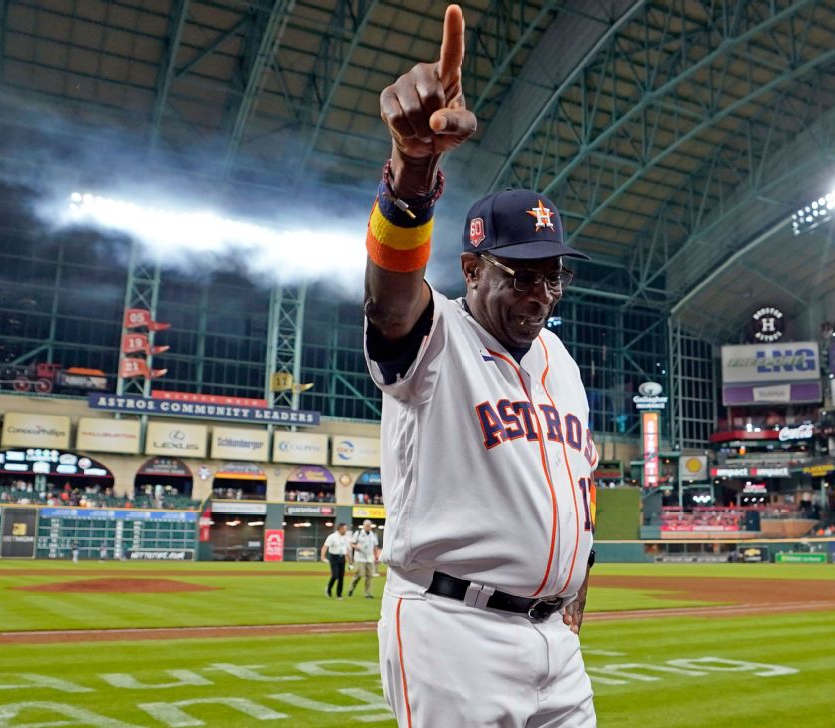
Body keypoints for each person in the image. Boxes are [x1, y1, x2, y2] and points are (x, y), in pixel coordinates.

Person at [364, 6, 597, 725]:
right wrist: (413, 173)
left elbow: (578, 487)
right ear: (470, 267)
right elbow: (389, 303)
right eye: (521, 273)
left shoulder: (560, 359)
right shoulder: (435, 337)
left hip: (555, 640)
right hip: (451, 631)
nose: (540, 292)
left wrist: (575, 590)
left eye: (553, 275)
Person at [348, 520, 381, 598]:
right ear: (364, 526)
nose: (368, 527)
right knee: (359, 575)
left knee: (369, 576)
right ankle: (351, 588)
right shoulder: (358, 533)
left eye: (370, 526)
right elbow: (351, 543)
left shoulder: (373, 535)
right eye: (367, 525)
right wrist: (356, 547)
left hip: (370, 558)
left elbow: (375, 546)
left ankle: (367, 593)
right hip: (360, 558)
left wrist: (376, 557)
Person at [321, 523, 351, 599]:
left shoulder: (346, 538)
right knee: (335, 575)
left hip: (342, 558)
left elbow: (347, 549)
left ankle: (339, 594)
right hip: (334, 557)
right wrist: (323, 556)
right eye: (345, 529)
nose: (346, 530)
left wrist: (350, 561)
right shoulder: (332, 537)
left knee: (341, 577)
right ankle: (328, 589)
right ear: (340, 529)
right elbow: (325, 546)